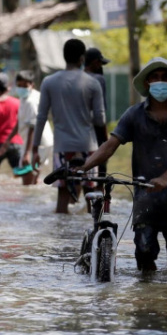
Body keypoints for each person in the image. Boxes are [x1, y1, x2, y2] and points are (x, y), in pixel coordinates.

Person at [81, 57, 167, 275]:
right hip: (146, 198)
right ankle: (147, 303)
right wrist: (83, 168)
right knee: (144, 258)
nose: (160, 81)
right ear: (147, 83)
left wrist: (165, 178)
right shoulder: (134, 114)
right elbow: (110, 146)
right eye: (155, 77)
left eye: (165, 77)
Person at [32, 39, 106, 213]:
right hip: (88, 148)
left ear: (63, 57)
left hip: (63, 148)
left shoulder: (49, 82)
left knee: (62, 201)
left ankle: (62, 240)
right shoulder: (93, 83)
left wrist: (35, 149)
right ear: (82, 58)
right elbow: (100, 119)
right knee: (91, 201)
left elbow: (41, 117)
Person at [0, 70, 53, 185]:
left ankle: (28, 201)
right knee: (33, 176)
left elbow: (32, 126)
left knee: (27, 181)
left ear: (32, 85)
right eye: (19, 85)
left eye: (25, 85)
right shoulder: (27, 98)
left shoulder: (31, 101)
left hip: (37, 144)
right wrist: (8, 140)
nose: (21, 88)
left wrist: (27, 153)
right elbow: (20, 122)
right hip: (40, 143)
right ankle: (34, 199)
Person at [84, 48, 111, 178]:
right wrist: (106, 139)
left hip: (74, 132)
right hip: (95, 131)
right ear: (95, 62)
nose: (101, 67)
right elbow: (100, 113)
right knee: (100, 174)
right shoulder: (98, 79)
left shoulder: (75, 78)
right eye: (100, 63)